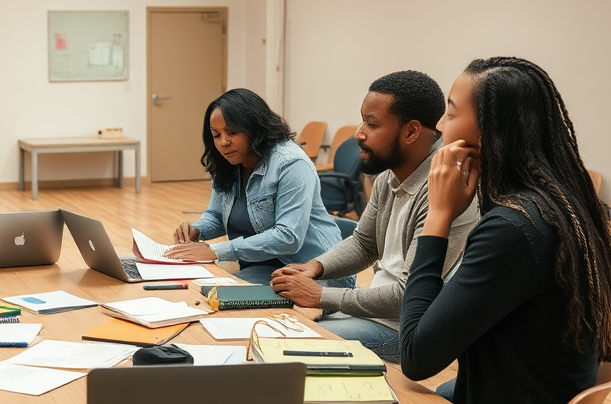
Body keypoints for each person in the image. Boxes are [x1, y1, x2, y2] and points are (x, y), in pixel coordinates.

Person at [399, 57, 611, 404]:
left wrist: (438, 217)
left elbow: (416, 357)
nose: (440, 128)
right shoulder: (562, 206)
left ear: (487, 133)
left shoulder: (514, 228)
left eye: (449, 114)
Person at [270, 71, 479, 363]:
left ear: (411, 132)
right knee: (276, 314)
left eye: (371, 123)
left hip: (404, 329)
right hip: (373, 311)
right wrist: (314, 268)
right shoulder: (389, 177)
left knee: (294, 344)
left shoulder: (448, 192)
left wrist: (321, 296)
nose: (359, 132)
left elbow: (410, 296)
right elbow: (364, 243)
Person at [166, 88, 347, 286]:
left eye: (232, 132)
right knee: (194, 288)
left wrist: (216, 250)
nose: (223, 142)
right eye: (216, 135)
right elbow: (216, 215)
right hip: (262, 268)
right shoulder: (229, 162)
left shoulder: (291, 164)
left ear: (255, 128)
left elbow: (288, 237)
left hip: (312, 275)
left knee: (219, 297)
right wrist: (196, 230)